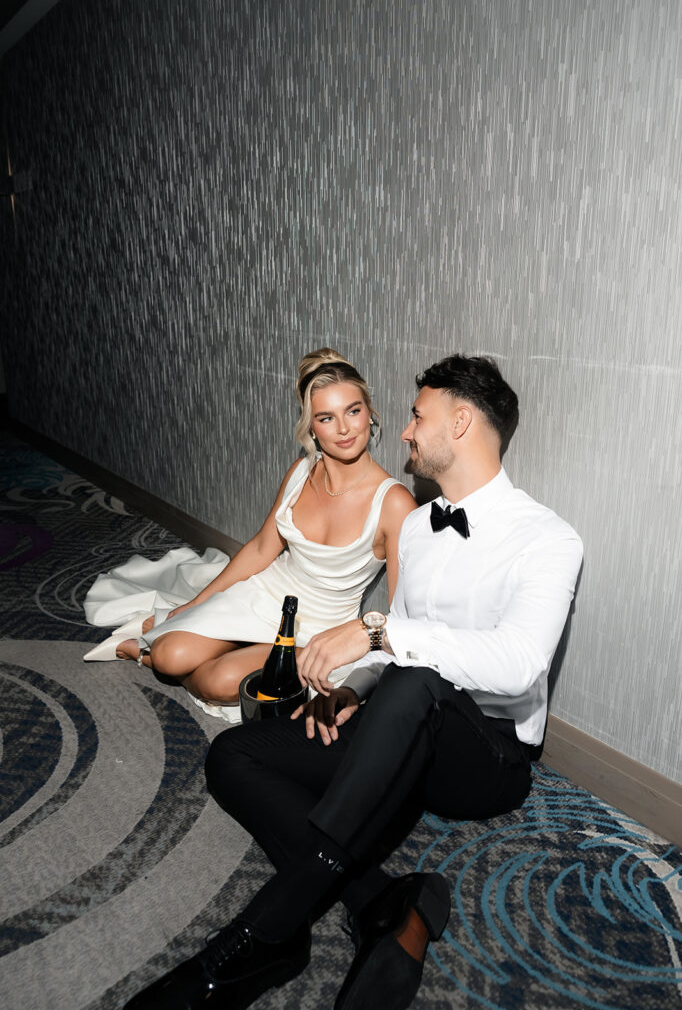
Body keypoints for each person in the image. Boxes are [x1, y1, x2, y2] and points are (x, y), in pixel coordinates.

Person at [124, 354, 583, 1010]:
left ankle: (266, 935)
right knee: (235, 754)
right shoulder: (419, 527)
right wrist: (353, 688)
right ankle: (384, 900)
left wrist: (374, 635)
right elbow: (397, 646)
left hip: (485, 758)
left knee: (416, 683)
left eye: (418, 416)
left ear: (459, 423)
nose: (405, 431)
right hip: (400, 725)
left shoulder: (548, 538)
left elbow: (518, 666)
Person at [85, 348, 416, 719]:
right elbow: (261, 548)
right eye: (326, 417)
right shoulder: (301, 472)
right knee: (168, 655)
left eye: (353, 411)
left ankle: (224, 657)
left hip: (319, 629)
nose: (343, 428)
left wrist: (357, 666)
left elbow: (400, 613)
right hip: (265, 594)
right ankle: (189, 652)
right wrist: (194, 604)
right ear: (311, 427)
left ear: (370, 413)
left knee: (218, 681)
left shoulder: (394, 503)